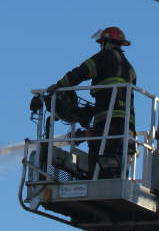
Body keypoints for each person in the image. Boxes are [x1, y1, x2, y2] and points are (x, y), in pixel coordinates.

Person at [46, 26, 136, 179]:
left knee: (97, 160)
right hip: (127, 125)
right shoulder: (129, 68)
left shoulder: (104, 57)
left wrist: (59, 85)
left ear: (106, 43)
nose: (100, 47)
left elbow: (81, 72)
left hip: (106, 120)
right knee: (118, 164)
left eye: (101, 44)